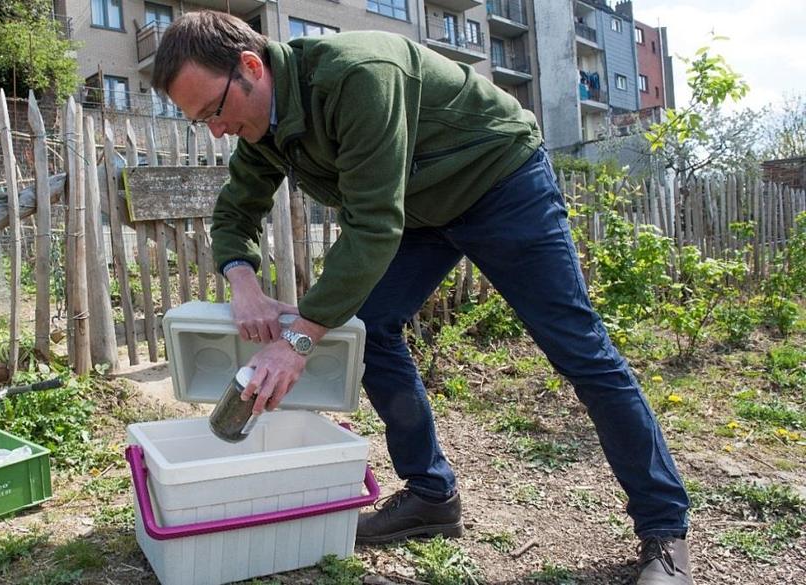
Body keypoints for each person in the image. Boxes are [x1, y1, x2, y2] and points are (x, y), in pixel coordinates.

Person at [151, 11, 693, 584]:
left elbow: (373, 224)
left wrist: (298, 338)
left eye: (213, 110)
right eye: (199, 121)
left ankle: (665, 531)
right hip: (420, 210)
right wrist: (244, 284)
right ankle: (432, 496)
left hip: (500, 184)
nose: (215, 129)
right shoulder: (263, 127)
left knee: (580, 353)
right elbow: (236, 211)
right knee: (371, 331)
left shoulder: (357, 75)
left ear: (251, 68)